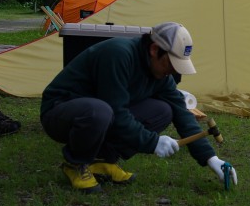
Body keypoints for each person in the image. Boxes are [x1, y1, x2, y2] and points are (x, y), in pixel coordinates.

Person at [40, 22, 238, 193]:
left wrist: (211, 158)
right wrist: (153, 142)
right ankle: (75, 163)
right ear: (154, 49)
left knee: (163, 111)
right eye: (171, 63)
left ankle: (102, 161)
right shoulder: (119, 54)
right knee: (100, 111)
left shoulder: (160, 74)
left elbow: (181, 112)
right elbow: (116, 112)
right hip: (60, 112)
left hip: (101, 114)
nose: (173, 71)